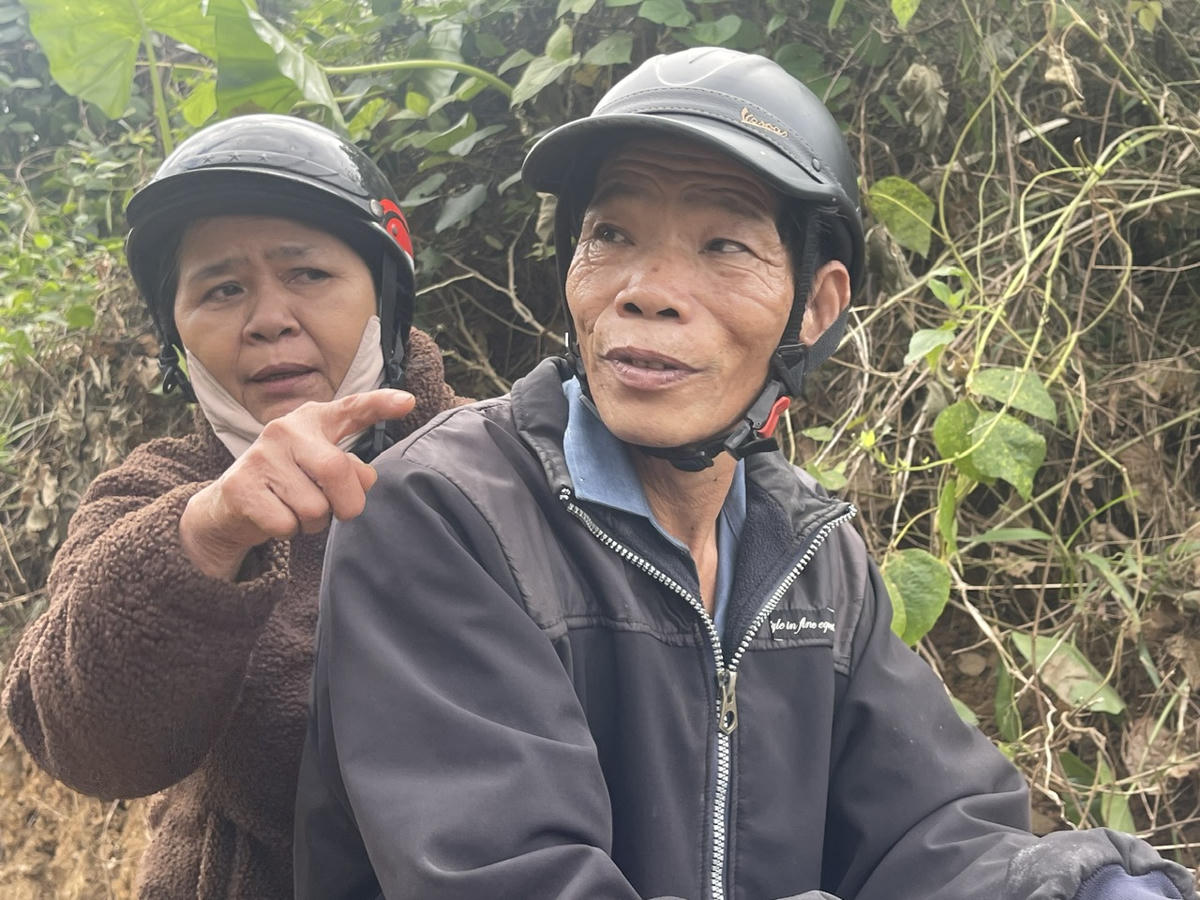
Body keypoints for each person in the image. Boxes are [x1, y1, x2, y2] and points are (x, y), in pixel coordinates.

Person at [293, 49, 1196, 900]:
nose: (647, 290)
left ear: (816, 305)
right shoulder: (444, 511)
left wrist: (1082, 883)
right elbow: (511, 876)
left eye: (724, 245)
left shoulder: (809, 554)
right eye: (611, 233)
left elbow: (931, 831)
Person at [2, 113, 465, 898]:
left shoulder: (499, 460)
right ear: (176, 338)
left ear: (386, 297)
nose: (268, 318)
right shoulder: (152, 491)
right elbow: (80, 743)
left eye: (308, 273)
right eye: (222, 289)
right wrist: (210, 533)